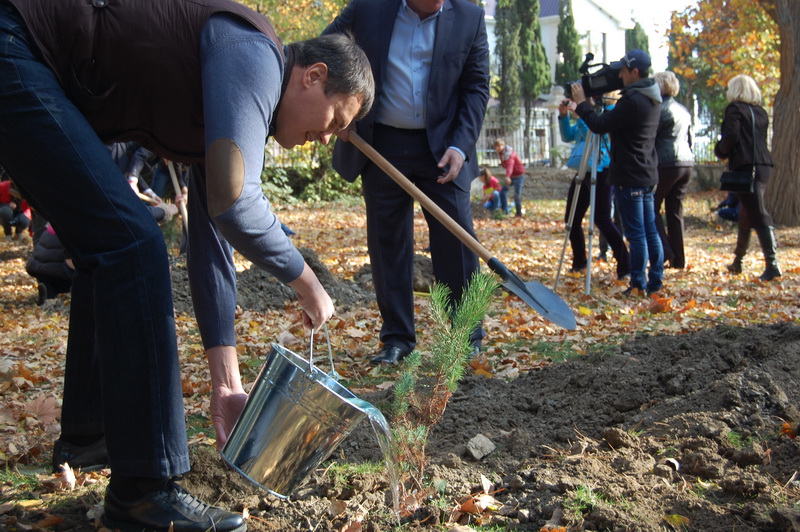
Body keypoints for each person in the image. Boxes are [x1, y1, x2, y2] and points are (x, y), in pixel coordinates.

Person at [0, 1, 374, 530]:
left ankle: (92, 434)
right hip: (18, 46)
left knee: (109, 245)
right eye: (337, 119)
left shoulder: (229, 98)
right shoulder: (254, 53)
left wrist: (226, 383)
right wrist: (305, 278)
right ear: (313, 77)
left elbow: (213, 237)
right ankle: (145, 490)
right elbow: (236, 199)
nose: (329, 137)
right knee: (133, 242)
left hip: (26, 59)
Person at [324, 0, 490, 365]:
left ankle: (466, 334)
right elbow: (326, 48)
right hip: (381, 142)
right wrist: (342, 104)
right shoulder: (369, 8)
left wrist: (461, 146)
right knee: (388, 242)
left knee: (456, 241)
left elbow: (476, 88)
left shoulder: (470, 16)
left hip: (445, 148)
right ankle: (397, 338)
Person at [570, 49, 664, 296]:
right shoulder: (652, 97)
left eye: (623, 70)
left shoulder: (633, 100)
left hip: (631, 175)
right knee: (650, 231)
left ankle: (638, 284)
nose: (619, 75)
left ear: (634, 72)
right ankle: (654, 282)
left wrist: (581, 104)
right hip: (646, 172)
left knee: (636, 234)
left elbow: (600, 126)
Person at [714, 74, 779, 281]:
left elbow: (731, 136)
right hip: (763, 165)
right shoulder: (760, 112)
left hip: (745, 166)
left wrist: (721, 150)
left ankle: (773, 264)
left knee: (757, 211)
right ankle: (738, 262)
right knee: (746, 211)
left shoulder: (735, 109)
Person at [557, 97, 630, 279]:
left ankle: (625, 265)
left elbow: (594, 131)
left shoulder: (606, 114)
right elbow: (568, 135)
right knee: (572, 219)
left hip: (601, 169)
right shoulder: (586, 115)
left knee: (602, 219)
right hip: (583, 170)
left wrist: (581, 114)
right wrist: (564, 116)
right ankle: (579, 262)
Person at [654, 71, 694, 269]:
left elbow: (651, 137)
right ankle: (679, 259)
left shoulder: (659, 109)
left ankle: (666, 251)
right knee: (675, 211)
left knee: (651, 208)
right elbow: (689, 139)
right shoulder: (683, 110)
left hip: (666, 163)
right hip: (685, 162)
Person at [493, 138, 526, 216]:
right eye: (496, 147)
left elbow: (510, 165)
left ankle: (519, 213)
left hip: (518, 176)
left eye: (498, 146)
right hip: (511, 176)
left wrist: (508, 176)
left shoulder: (509, 154)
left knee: (517, 195)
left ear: (503, 145)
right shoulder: (502, 153)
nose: (497, 148)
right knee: (503, 192)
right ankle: (505, 212)